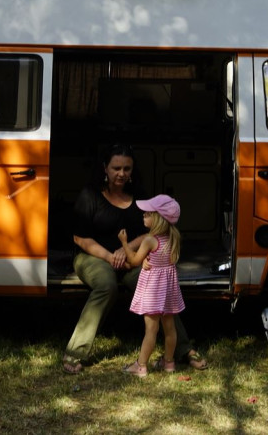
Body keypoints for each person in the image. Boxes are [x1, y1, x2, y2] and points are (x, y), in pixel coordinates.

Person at [61, 143, 206, 374]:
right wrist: (111, 256)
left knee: (159, 287)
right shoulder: (90, 195)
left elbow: (154, 231)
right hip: (93, 256)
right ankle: (76, 352)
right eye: (116, 168)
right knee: (107, 285)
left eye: (127, 168)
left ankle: (184, 349)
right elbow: (80, 238)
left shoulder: (140, 196)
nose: (122, 173)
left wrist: (128, 248)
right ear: (105, 169)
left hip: (133, 257)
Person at [118, 194, 185, 377]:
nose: (143, 216)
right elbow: (161, 260)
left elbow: (132, 261)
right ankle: (169, 363)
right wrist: (146, 261)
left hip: (154, 290)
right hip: (169, 290)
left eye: (147, 214)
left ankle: (141, 366)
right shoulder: (174, 237)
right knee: (170, 329)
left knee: (151, 330)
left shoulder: (149, 240)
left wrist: (124, 243)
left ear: (158, 218)